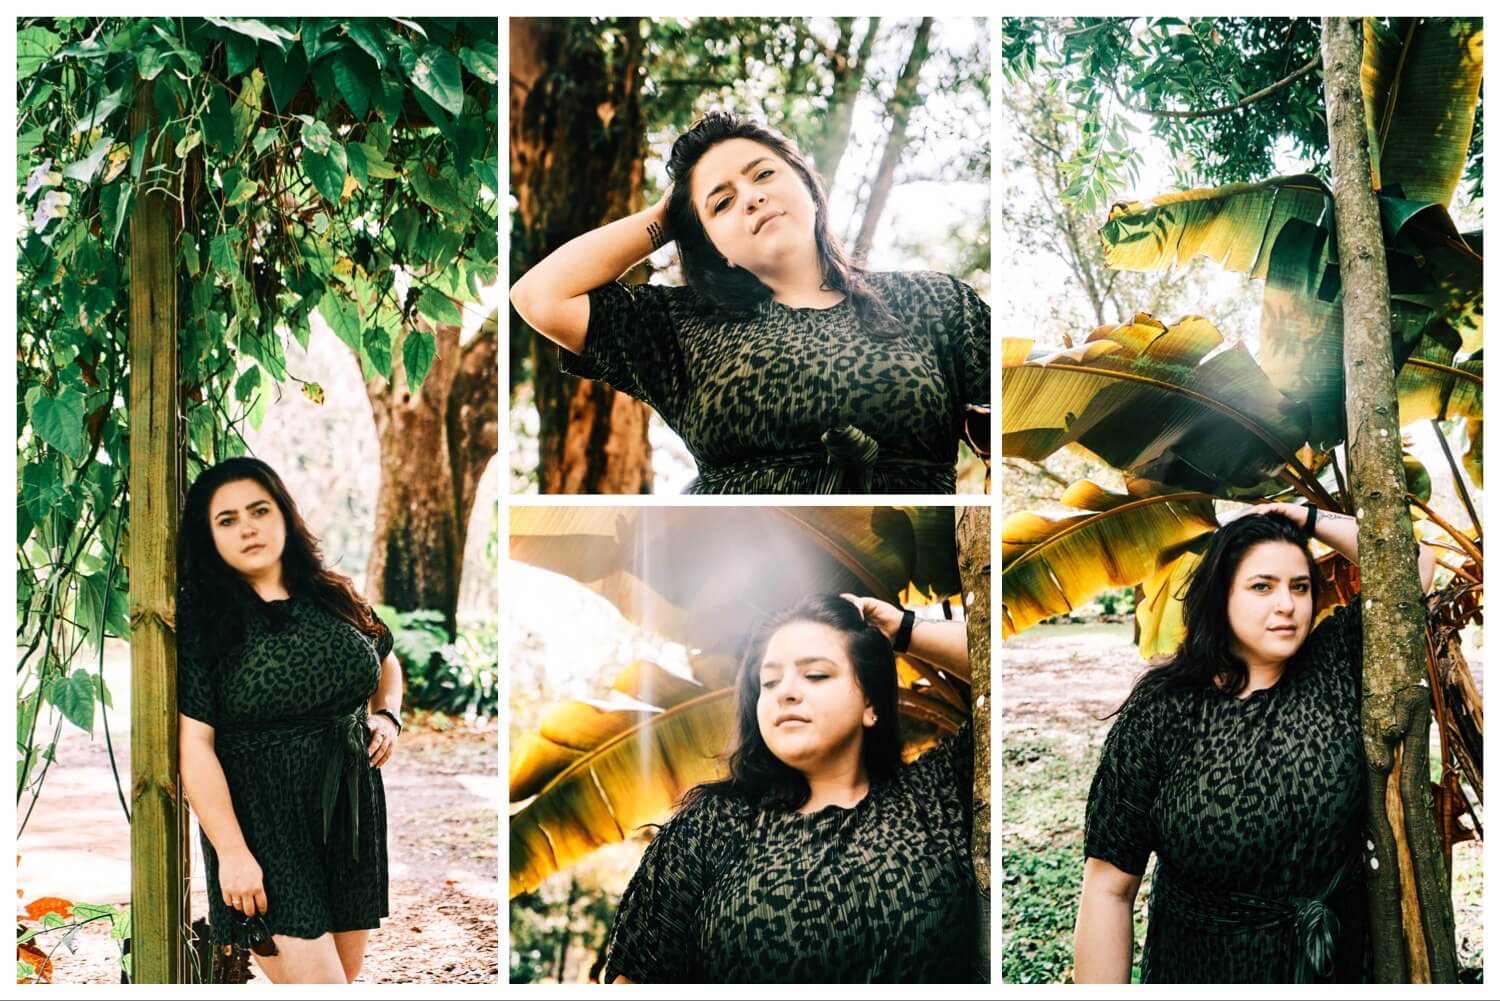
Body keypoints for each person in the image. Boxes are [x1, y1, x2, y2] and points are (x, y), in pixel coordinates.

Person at [510, 110, 990, 494]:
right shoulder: (681, 327)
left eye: (763, 175)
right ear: (713, 247)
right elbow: (540, 296)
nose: (751, 198)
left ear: (809, 188)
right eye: (721, 203)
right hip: (737, 573)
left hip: (902, 561)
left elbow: (1030, 405)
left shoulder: (932, 301)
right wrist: (667, 216)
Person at [1074, 502, 1438, 983]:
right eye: (1262, 586)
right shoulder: (1164, 710)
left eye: (1300, 587)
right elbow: (1108, 890)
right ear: (1221, 595)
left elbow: (1414, 567)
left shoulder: (1336, 661)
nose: (1286, 604)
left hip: (1333, 964)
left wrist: (1304, 517)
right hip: (1205, 967)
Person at [602, 593, 981, 983]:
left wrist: (905, 630)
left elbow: (999, 668)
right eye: (769, 681)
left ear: (871, 702)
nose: (785, 692)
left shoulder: (934, 793)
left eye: (815, 674)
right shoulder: (711, 826)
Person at [176, 458, 404, 983]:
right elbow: (195, 746)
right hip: (263, 827)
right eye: (227, 519)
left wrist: (388, 715)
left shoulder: (332, 593)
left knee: (340, 982)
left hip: (350, 816)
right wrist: (232, 853)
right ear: (208, 538)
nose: (248, 527)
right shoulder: (202, 618)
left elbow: (385, 657)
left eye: (259, 510)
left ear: (284, 514)